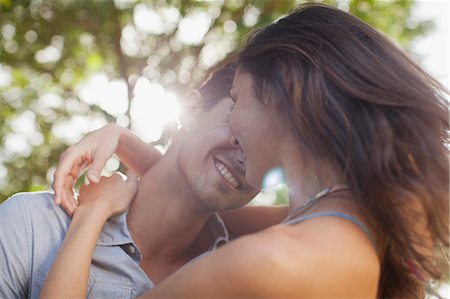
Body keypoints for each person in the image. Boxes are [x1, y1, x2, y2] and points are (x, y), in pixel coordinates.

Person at [41, 3, 449, 298]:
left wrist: (92, 213)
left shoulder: (263, 263)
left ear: (285, 91)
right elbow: (196, 206)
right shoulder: (357, 218)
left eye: (237, 98)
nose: (233, 126)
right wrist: (125, 139)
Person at [0, 63, 288, 299]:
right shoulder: (31, 225)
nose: (248, 157)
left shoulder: (244, 279)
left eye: (275, 151)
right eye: (237, 123)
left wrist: (123, 138)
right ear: (189, 111)